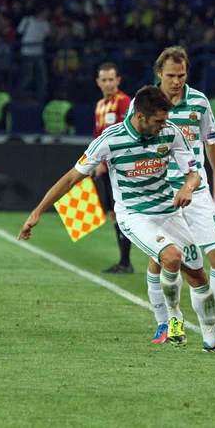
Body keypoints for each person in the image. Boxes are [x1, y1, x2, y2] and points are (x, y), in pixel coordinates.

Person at [18, 85, 215, 353]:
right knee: (171, 257)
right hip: (134, 215)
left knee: (198, 276)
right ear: (140, 117)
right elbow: (71, 178)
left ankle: (211, 339)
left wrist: (187, 187)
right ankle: (174, 318)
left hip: (167, 211)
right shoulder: (110, 140)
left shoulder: (171, 133)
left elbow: (193, 172)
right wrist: (37, 211)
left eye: (165, 120)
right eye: (158, 121)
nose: (164, 125)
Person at [125, 46, 215, 345]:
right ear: (158, 73)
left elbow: (210, 139)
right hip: (160, 191)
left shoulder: (198, 101)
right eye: (171, 75)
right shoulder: (142, 103)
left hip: (194, 188)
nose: (177, 81)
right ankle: (166, 323)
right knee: (159, 260)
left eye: (182, 75)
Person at [92, 62, 134, 274]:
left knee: (121, 212)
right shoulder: (100, 105)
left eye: (112, 79)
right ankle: (124, 261)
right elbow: (97, 137)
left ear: (118, 81)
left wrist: (103, 162)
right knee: (113, 213)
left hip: (120, 167)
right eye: (104, 80)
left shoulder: (124, 103)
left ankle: (125, 261)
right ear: (98, 82)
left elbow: (123, 135)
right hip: (105, 168)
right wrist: (94, 161)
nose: (108, 84)